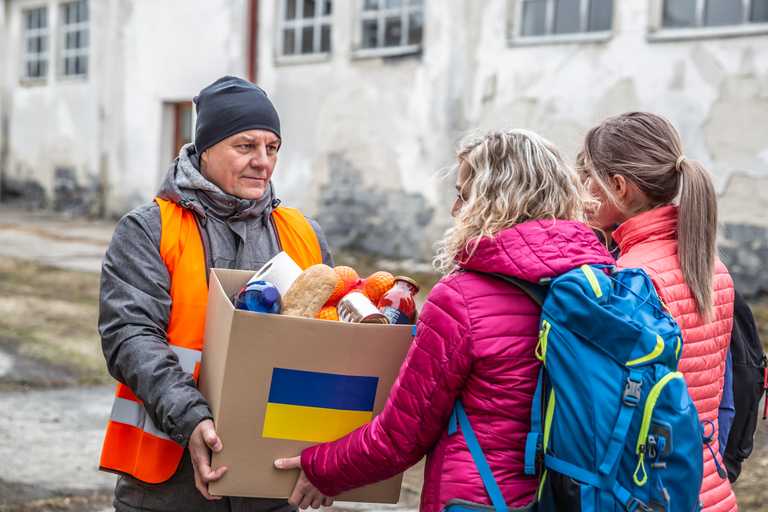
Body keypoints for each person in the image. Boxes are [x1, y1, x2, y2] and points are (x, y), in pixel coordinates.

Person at [275, 130, 614, 510]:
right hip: (575, 496)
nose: (455, 209)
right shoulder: (602, 282)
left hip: (481, 500)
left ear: (493, 200)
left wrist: (320, 467)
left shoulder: (461, 300)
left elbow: (400, 437)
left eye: (463, 194)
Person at [98, 76, 332, 512]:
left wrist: (333, 458)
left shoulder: (303, 235)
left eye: (272, 147)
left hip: (272, 483)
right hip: (169, 483)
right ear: (204, 150)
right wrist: (192, 419)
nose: (263, 161)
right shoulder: (150, 229)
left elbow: (330, 348)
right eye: (245, 146)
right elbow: (130, 337)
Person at [578, 112, 737, 512]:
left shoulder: (631, 278)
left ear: (618, 187)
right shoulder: (712, 267)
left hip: (654, 491)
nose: (581, 191)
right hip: (707, 485)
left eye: (588, 178)